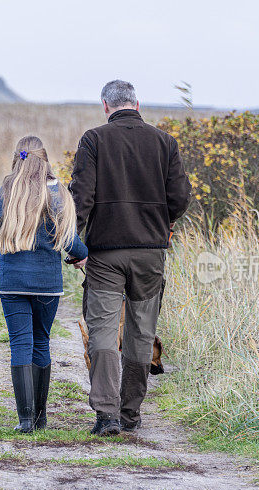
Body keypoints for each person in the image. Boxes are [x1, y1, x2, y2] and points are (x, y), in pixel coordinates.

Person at [69, 80, 191, 436]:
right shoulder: (164, 142)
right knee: (141, 331)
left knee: (104, 331)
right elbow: (181, 196)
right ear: (137, 104)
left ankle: (105, 416)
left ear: (105, 107)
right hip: (150, 255)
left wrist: (72, 243)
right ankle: (130, 414)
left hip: (105, 254)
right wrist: (165, 224)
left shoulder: (93, 139)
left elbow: (81, 196)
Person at [0, 135, 88, 433]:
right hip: (47, 283)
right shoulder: (59, 193)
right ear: (45, 159)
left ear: (17, 158)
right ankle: (42, 418)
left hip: (12, 282)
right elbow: (71, 242)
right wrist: (81, 256)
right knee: (42, 341)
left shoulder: (6, 190)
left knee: (21, 343)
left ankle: (25, 420)